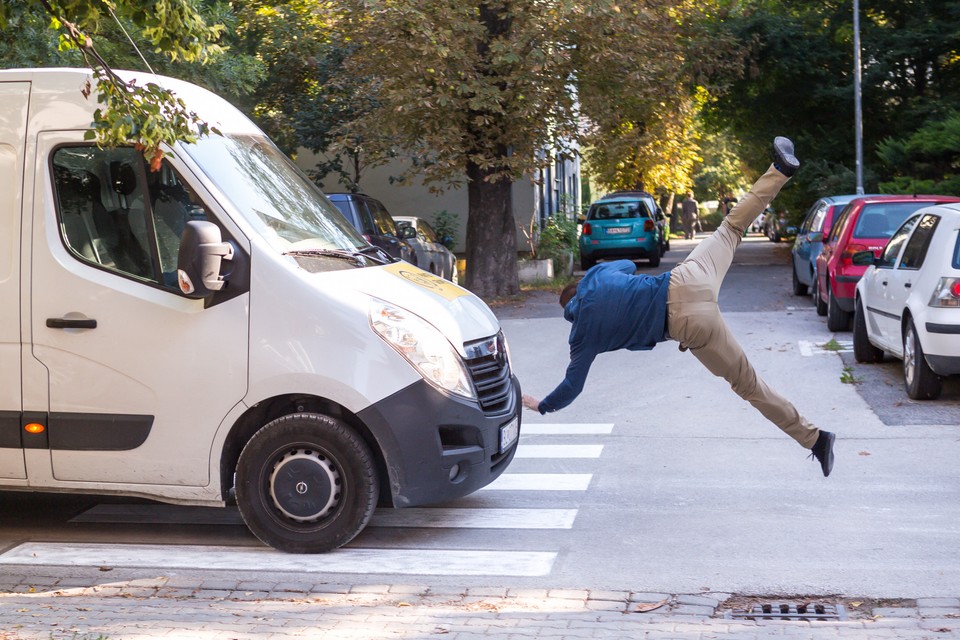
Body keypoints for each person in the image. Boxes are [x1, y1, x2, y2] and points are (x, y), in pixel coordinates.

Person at [521, 137, 835, 477]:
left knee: (748, 385)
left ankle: (815, 439)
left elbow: (573, 386)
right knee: (732, 226)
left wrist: (543, 405)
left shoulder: (581, 337)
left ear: (569, 315)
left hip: (690, 324)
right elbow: (628, 265)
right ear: (580, 287)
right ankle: (780, 170)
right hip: (688, 277)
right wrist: (601, 279)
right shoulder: (596, 276)